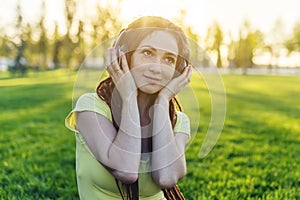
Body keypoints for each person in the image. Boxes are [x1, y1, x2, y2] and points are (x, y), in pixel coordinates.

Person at [65, 16, 192, 200]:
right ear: (123, 56)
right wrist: (129, 96)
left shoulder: (178, 121)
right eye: (148, 53)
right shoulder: (91, 108)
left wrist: (163, 101)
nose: (157, 68)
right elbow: (126, 170)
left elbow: (167, 177)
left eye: (169, 59)